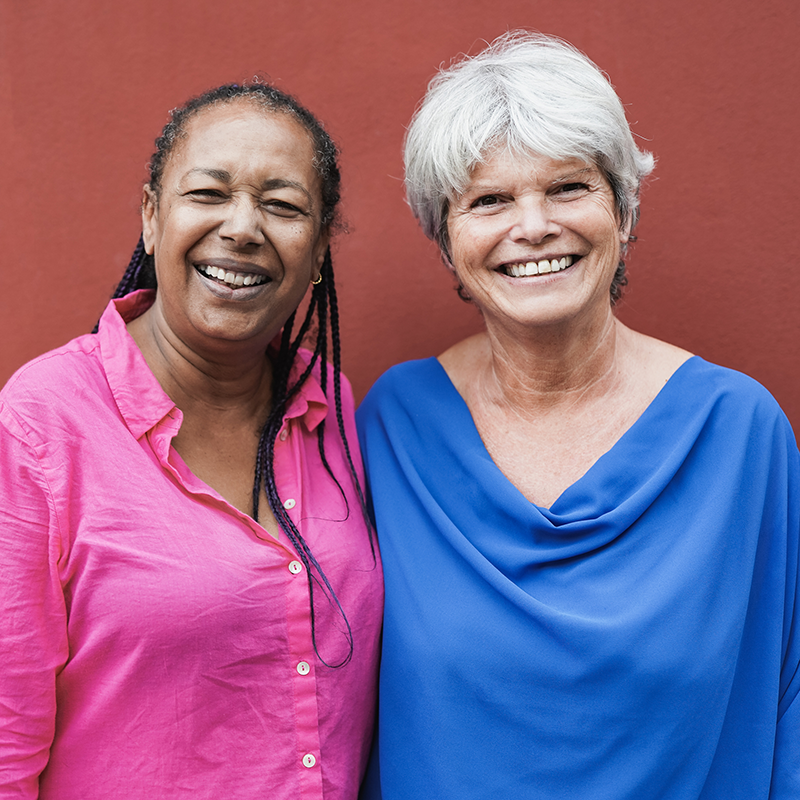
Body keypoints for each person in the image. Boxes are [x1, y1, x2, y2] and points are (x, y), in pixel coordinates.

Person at [357, 32, 799, 799]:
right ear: (447, 240)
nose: (532, 226)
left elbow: (788, 693)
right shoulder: (394, 424)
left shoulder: (740, 434)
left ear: (623, 210)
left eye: (568, 187)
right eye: (489, 200)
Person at [0, 82, 382, 799]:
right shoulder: (39, 426)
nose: (242, 227)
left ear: (321, 248)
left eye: (283, 205)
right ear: (151, 216)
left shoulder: (329, 410)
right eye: (209, 193)